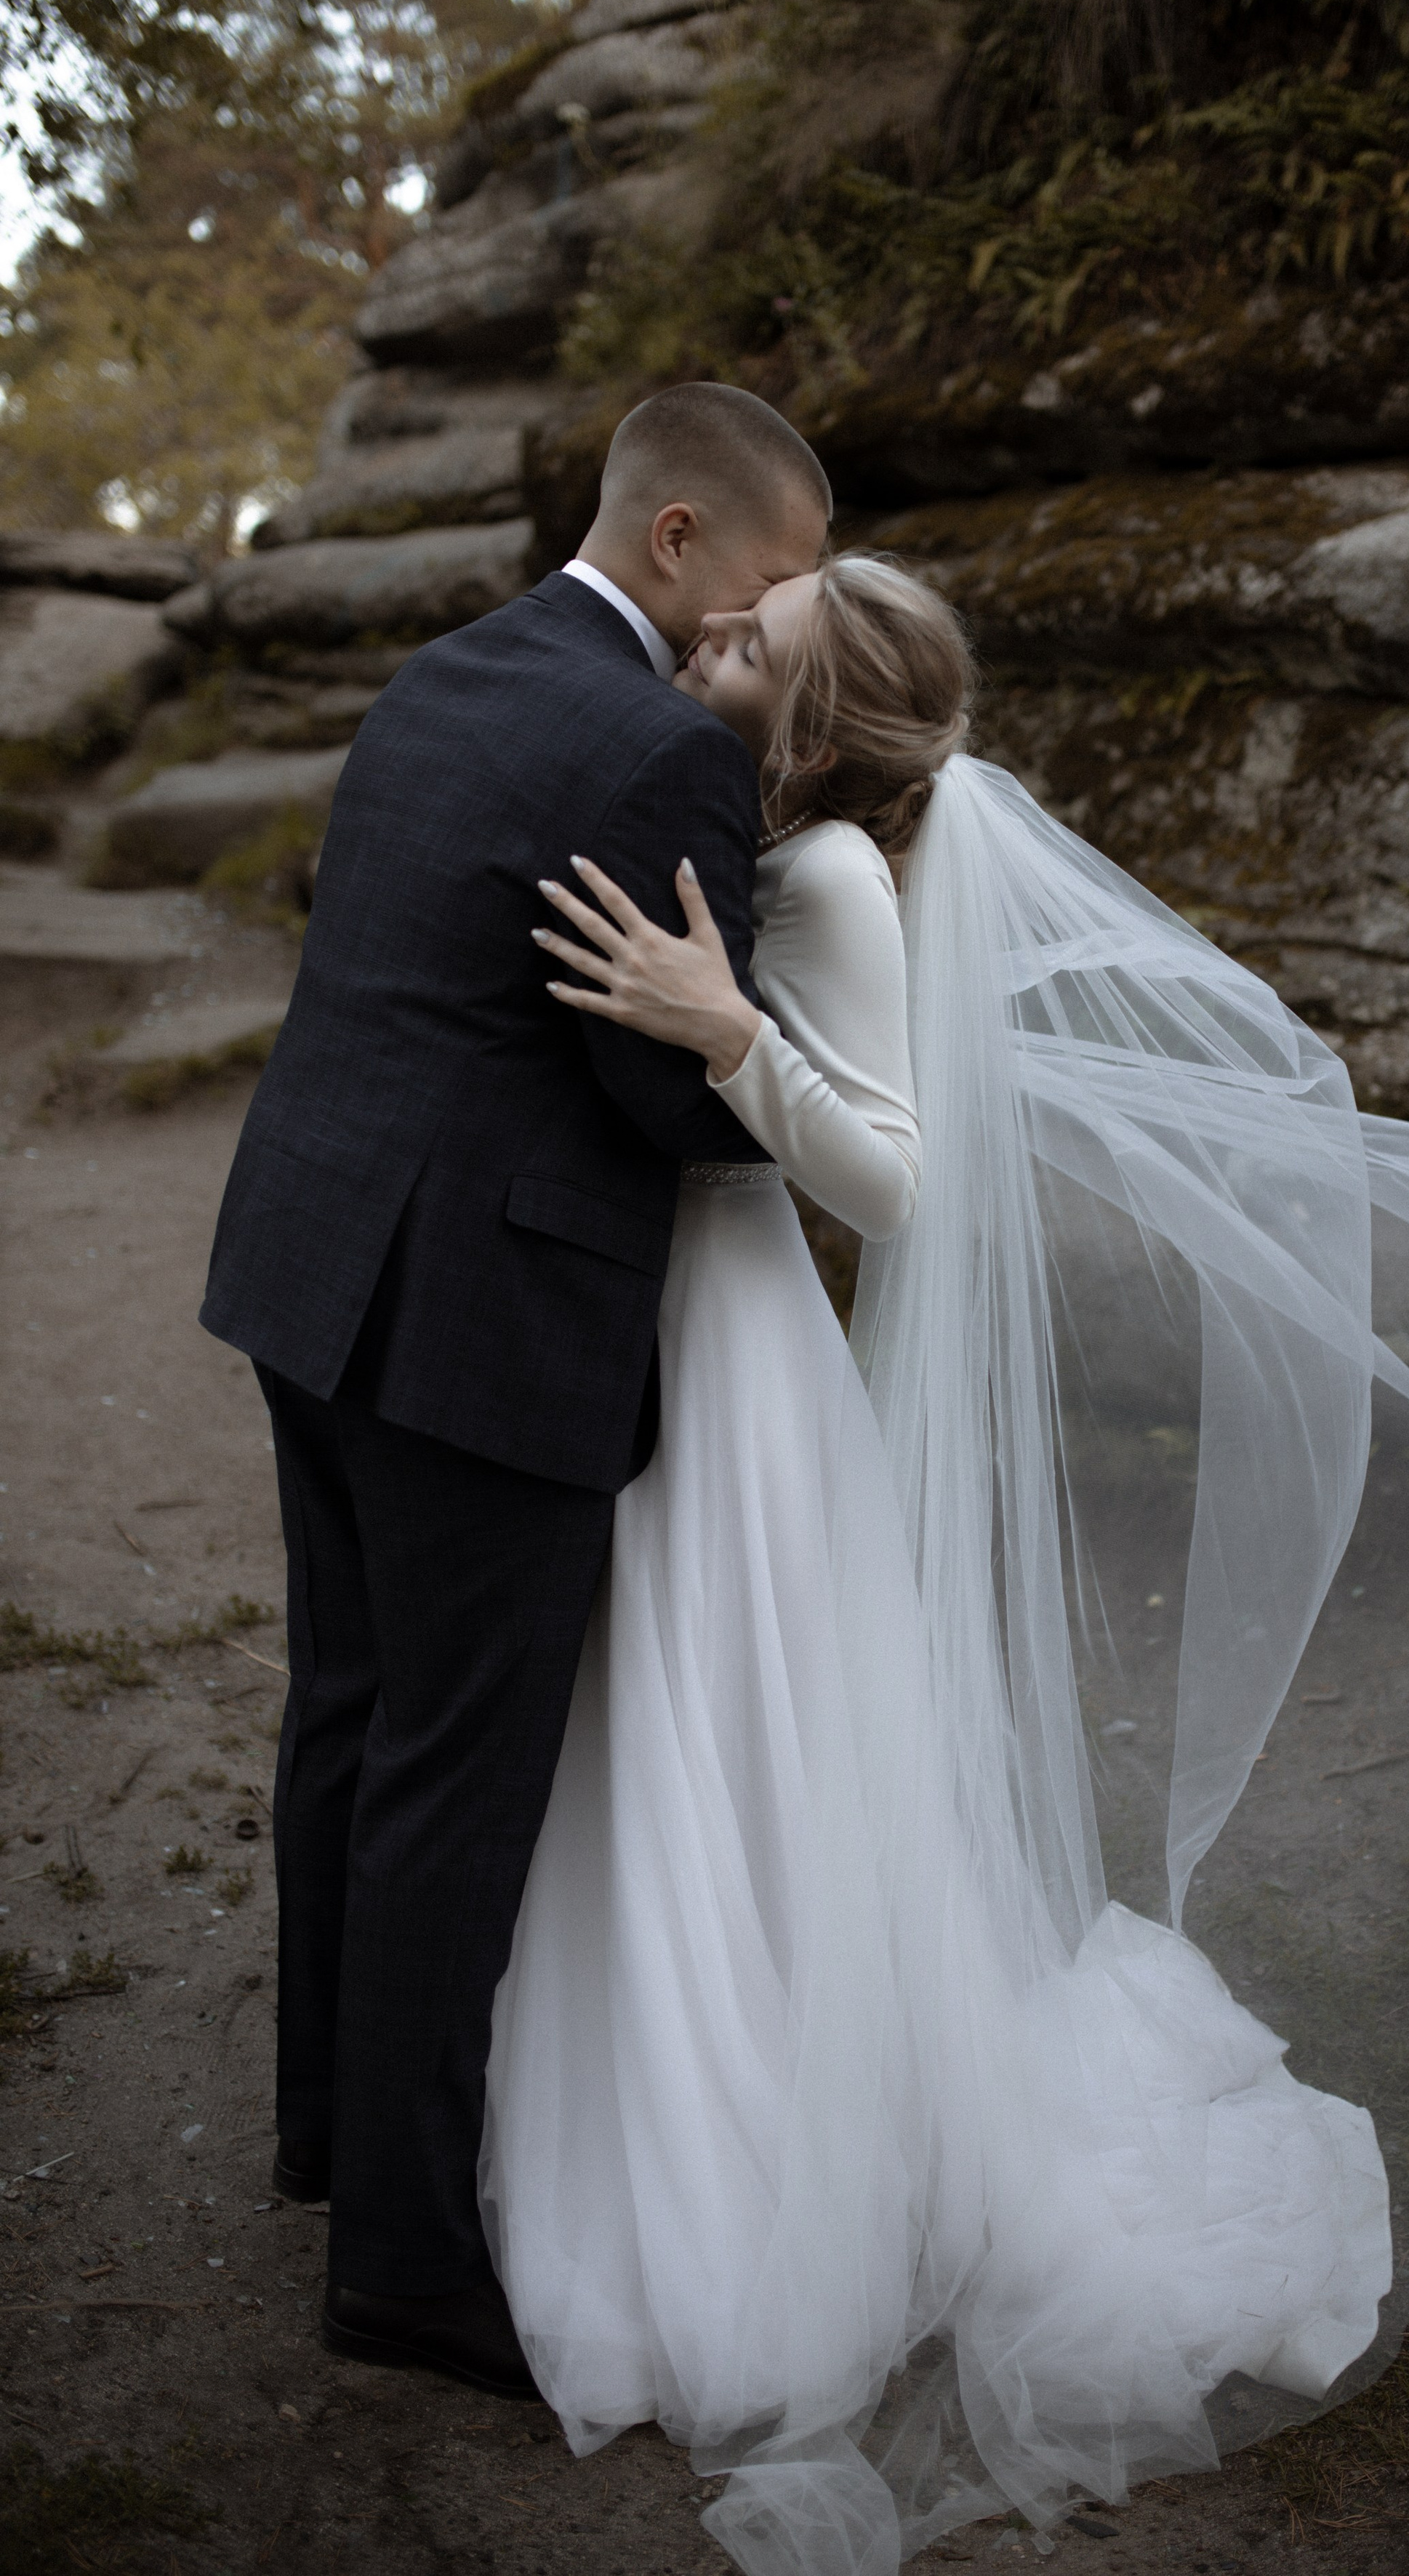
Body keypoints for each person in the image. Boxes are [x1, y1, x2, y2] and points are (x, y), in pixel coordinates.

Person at [487, 552, 1409, 2575]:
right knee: (689, 1736)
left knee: (726, 1724)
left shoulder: (839, 876)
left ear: (818, 724)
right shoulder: (762, 820)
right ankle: (680, 2084)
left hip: (744, 1335)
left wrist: (719, 1030)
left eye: (746, 644)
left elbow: (905, 1172)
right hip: (681, 1314)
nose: (707, 647)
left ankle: (773, 2165)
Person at [199, 384, 830, 2396]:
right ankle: (401, 2260)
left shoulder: (441, 670)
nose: (789, 615)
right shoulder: (660, 749)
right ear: (677, 544)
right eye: (781, 574)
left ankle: (329, 2130)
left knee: (350, 1720)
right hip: (482, 1324)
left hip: (314, 1267)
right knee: (457, 1782)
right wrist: (765, 1055)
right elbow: (665, 1090)